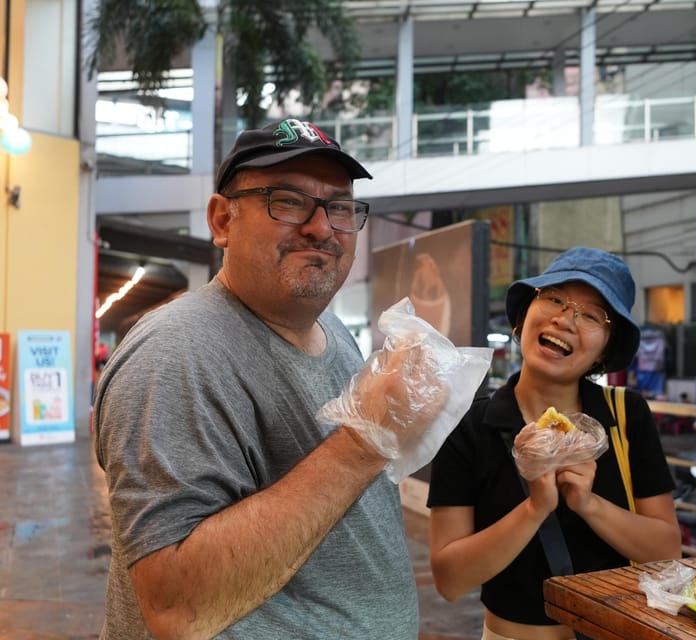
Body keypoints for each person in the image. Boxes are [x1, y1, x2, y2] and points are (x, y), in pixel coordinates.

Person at [94, 118, 451, 639]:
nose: (322, 227)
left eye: (340, 207)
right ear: (222, 220)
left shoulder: (334, 333)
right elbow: (176, 604)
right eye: (287, 200)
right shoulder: (175, 351)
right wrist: (367, 438)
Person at [427, 246, 683, 640]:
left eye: (592, 315)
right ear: (523, 315)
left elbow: (667, 551)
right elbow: (449, 579)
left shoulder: (626, 415)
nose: (566, 319)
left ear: (606, 349)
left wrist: (588, 504)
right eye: (554, 298)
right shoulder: (468, 423)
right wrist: (535, 508)